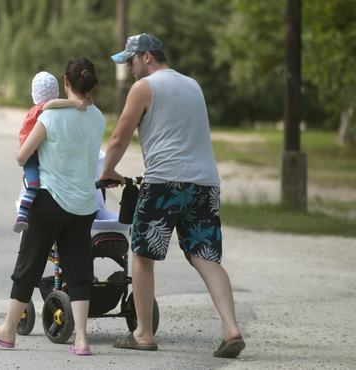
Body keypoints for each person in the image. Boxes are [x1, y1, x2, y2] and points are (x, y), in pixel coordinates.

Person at [101, 33, 245, 358]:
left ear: (147, 57)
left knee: (142, 254)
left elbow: (119, 136)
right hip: (205, 183)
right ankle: (231, 328)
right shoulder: (193, 85)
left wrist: (107, 170)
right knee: (205, 254)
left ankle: (143, 333)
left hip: (165, 182)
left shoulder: (144, 88)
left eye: (131, 60)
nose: (129, 67)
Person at [0, 57, 104, 356]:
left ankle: (8, 331)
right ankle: (82, 340)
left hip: (49, 200)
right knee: (79, 271)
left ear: (66, 82)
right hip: (84, 204)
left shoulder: (50, 116)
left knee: (29, 264)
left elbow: (22, 156)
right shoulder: (98, 117)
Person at [13, 71, 88, 233]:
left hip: (36, 155)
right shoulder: (41, 110)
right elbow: (52, 104)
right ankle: (21, 217)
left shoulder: (41, 111)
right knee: (33, 186)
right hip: (31, 157)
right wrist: (75, 103)